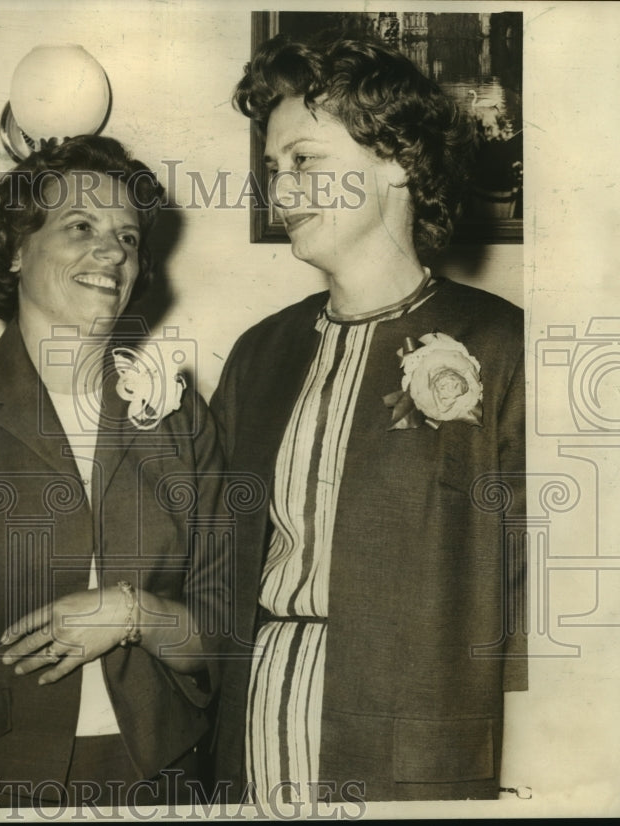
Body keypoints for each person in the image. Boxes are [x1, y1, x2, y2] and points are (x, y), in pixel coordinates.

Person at [209, 37, 526, 805]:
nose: (280, 191)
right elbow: (211, 569)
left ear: (398, 159)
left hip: (418, 753)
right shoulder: (260, 353)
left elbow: (533, 606)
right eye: (273, 168)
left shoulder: (502, 344)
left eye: (306, 161)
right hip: (253, 731)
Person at [0, 135, 228, 809]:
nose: (113, 252)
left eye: (128, 237)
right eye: (81, 228)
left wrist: (133, 613)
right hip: (1, 783)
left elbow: (223, 627)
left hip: (167, 774)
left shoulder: (181, 420)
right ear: (14, 250)